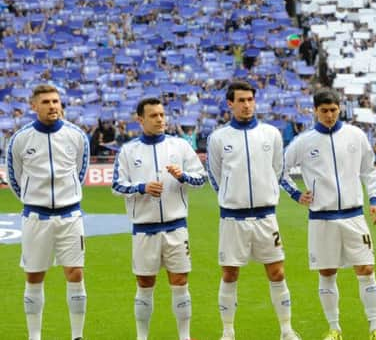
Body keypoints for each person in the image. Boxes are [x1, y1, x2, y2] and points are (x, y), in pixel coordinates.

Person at [281, 87, 376, 340]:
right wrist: (296, 195)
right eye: (324, 111)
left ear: (340, 108)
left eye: (333, 110)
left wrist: (374, 200)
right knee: (327, 272)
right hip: (322, 218)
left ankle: (375, 327)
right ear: (315, 111)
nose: (329, 115)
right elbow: (280, 170)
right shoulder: (304, 142)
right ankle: (334, 328)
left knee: (366, 269)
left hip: (354, 215)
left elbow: (368, 169)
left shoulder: (355, 135)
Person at [206, 81, 301, 340]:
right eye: (241, 100)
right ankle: (228, 331)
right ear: (230, 104)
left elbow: (278, 170)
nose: (247, 105)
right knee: (230, 273)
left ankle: (286, 329)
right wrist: (231, 196)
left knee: (277, 272)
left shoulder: (271, 134)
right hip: (233, 219)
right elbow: (215, 176)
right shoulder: (218, 138)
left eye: (250, 99)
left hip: (266, 217)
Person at [112, 97, 206, 340]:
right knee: (144, 283)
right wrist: (142, 187)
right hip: (144, 229)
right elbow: (116, 185)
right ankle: (142, 336)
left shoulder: (181, 146)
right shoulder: (128, 150)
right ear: (140, 120)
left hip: (176, 228)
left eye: (162, 115)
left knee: (180, 280)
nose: (160, 119)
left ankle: (184, 336)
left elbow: (201, 178)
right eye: (154, 116)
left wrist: (183, 175)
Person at [7, 84, 90, 340]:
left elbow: (80, 171)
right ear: (34, 106)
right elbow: (14, 178)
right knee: (34, 275)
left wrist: (65, 197)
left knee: (75, 273)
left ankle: (77, 335)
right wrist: (35, 199)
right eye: (46, 102)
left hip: (70, 216)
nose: (53, 106)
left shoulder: (76, 135)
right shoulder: (20, 139)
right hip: (36, 217)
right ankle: (35, 336)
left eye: (56, 101)